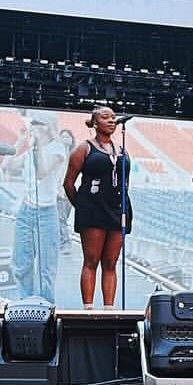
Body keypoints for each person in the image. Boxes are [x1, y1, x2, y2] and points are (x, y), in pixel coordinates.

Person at [64, 105, 131, 307]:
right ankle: (88, 308)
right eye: (105, 117)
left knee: (111, 263)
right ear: (94, 122)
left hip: (118, 210)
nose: (111, 120)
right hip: (93, 211)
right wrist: (83, 207)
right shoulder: (84, 149)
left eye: (113, 117)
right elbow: (68, 184)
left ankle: (109, 308)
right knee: (91, 260)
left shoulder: (122, 150)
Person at [10, 115, 69, 298]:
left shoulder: (57, 149)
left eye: (37, 124)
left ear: (47, 127)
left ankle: (45, 307)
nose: (33, 127)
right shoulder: (31, 151)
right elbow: (8, 165)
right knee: (22, 264)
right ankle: (24, 301)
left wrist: (38, 144)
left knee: (46, 268)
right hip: (26, 210)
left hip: (47, 212)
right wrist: (20, 143)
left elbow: (42, 172)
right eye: (32, 124)